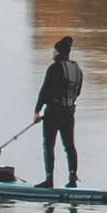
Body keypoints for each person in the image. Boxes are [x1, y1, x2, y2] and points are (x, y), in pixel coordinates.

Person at [34, 33, 83, 187]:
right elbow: (78, 91)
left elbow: (45, 90)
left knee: (49, 144)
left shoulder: (54, 68)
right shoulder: (77, 68)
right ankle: (73, 179)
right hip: (70, 111)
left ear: (59, 52)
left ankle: (49, 180)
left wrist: (37, 111)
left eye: (54, 50)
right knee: (69, 145)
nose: (53, 53)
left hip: (54, 111)